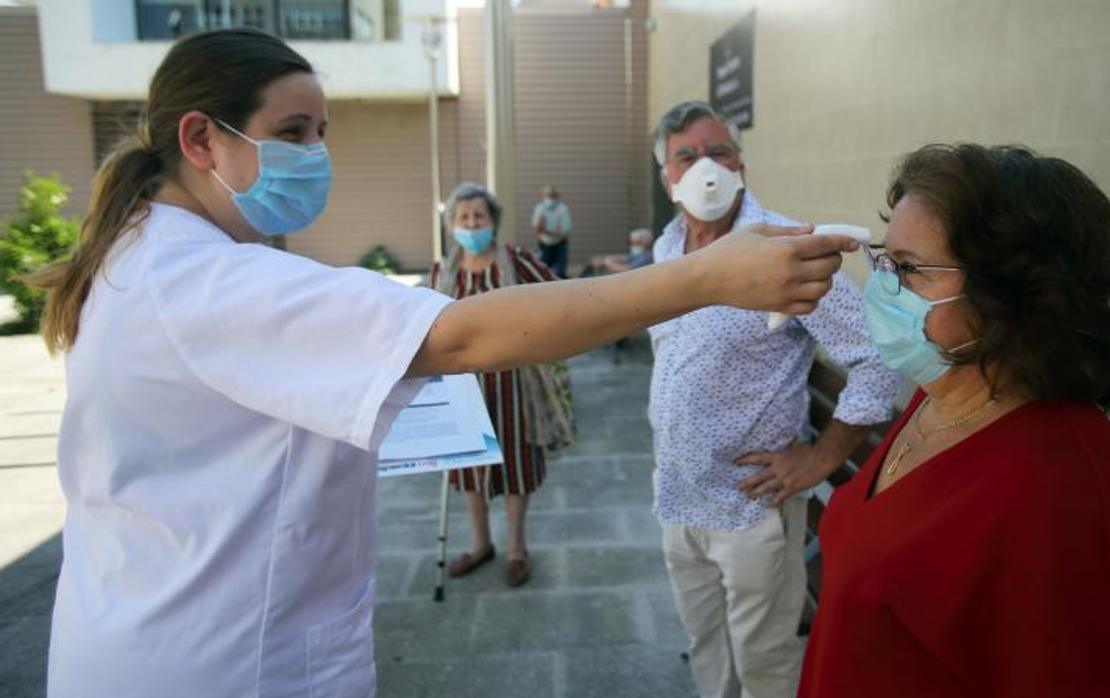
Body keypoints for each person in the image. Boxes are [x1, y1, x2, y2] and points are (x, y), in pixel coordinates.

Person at [25, 30, 857, 698]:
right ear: (200, 137)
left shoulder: (147, 256)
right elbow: (459, 336)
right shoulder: (205, 279)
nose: (316, 155)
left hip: (166, 627)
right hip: (216, 658)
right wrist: (704, 279)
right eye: (291, 133)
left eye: (320, 133)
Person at [795, 144, 1110, 697]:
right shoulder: (941, 396)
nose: (882, 288)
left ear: (1010, 295)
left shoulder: (1064, 501)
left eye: (911, 270)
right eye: (884, 261)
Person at [647, 100, 901, 698]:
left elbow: (875, 358)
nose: (705, 166)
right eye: (686, 156)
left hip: (750, 506)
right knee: (706, 647)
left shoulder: (788, 247)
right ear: (667, 177)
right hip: (677, 493)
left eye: (719, 152)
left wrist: (819, 459)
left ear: (741, 164)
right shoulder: (665, 247)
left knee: (765, 665)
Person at [429, 182, 565, 587]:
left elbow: (554, 294)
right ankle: (480, 543)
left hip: (512, 386)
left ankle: (517, 548)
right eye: (464, 217)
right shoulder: (443, 270)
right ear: (452, 225)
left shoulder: (514, 261)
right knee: (469, 470)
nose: (472, 223)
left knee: (516, 467)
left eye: (479, 216)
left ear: (493, 222)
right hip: (462, 388)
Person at [531, 184, 572, 277]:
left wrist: (550, 232)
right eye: (547, 195)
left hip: (560, 244)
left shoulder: (563, 209)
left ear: (556, 196)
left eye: (551, 195)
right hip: (545, 244)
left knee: (561, 272)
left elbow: (565, 231)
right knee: (544, 272)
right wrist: (540, 227)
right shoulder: (539, 208)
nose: (549, 198)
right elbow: (536, 230)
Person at [585, 227, 654, 275]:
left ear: (645, 242)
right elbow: (624, 257)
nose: (633, 245)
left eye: (636, 242)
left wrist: (608, 262)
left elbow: (628, 270)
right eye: (631, 242)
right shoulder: (639, 254)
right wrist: (603, 258)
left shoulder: (647, 257)